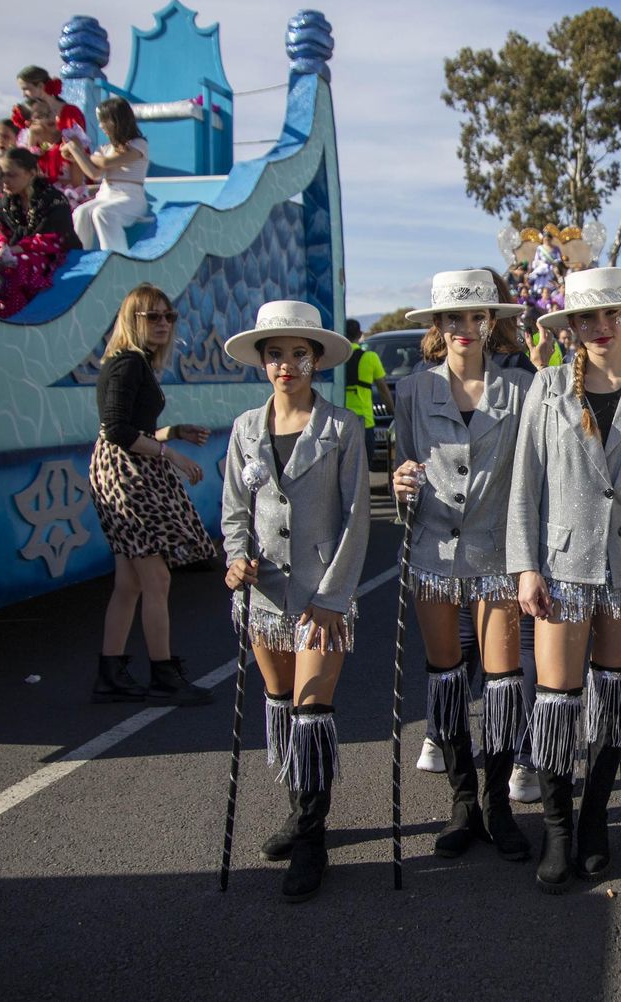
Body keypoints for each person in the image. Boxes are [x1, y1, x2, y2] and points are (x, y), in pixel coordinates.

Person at [506, 267, 621, 894]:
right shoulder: (549, 388)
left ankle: (592, 824)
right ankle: (555, 831)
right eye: (588, 318)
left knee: (610, 701)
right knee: (556, 705)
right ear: (572, 328)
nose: (602, 327)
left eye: (612, 315)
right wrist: (525, 565)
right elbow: (524, 486)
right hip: (562, 567)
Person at [220, 298, 370, 902]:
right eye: (275, 354)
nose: (286, 364)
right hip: (263, 599)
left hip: (320, 599)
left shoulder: (342, 429)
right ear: (263, 362)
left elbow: (359, 517)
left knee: (311, 711)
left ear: (315, 359)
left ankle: (312, 840)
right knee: (280, 705)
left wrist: (334, 596)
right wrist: (235, 558)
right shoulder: (244, 431)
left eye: (297, 354)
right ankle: (297, 811)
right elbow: (235, 510)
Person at [390, 270, 535, 861]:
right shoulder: (410, 392)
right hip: (433, 554)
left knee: (501, 683)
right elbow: (403, 465)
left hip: (498, 552)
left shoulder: (523, 390)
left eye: (475, 317)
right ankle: (462, 801)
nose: (464, 328)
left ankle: (499, 804)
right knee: (447, 681)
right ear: (438, 326)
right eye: (453, 318)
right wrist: (402, 483)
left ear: (490, 322)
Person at [88, 284, 217, 706]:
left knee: (129, 582)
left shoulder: (133, 363)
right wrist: (172, 454)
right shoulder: (127, 364)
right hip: (128, 477)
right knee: (156, 577)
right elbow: (117, 431)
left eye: (169, 317)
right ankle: (163, 674)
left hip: (125, 469)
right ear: (132, 320)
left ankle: (111, 674)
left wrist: (172, 432)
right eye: (153, 317)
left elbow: (132, 428)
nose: (164, 324)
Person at [0, 147, 81, 316]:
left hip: (53, 254)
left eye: (12, 175)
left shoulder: (53, 199)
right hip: (16, 252)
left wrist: (13, 250)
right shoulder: (5, 203)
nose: (5, 181)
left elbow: (54, 239)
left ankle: (21, 317)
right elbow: (2, 235)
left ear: (31, 173)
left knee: (18, 266)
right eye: (2, 175)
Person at [64, 97, 149, 252]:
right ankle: (80, 256)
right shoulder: (103, 149)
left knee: (102, 213)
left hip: (130, 197)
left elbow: (105, 163)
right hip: (105, 195)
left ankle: (115, 257)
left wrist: (79, 152)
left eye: (104, 120)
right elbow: (94, 173)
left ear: (118, 120)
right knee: (80, 212)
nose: (101, 125)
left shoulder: (138, 144)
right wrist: (77, 155)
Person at [342, 318, 394, 462]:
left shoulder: (338, 357)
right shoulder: (370, 357)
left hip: (339, 419)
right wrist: (393, 412)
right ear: (359, 334)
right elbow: (383, 389)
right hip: (364, 421)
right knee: (363, 467)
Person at [13, 65, 87, 136]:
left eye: (26, 89)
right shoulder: (32, 115)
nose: (23, 95)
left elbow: (81, 142)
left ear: (40, 86)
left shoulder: (70, 112)